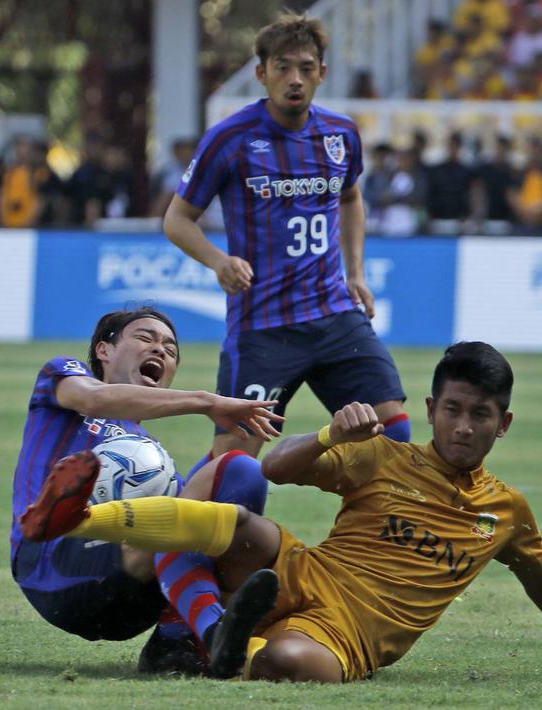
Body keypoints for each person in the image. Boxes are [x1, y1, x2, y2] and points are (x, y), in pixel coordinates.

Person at [25, 342, 542, 683]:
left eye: (480, 415)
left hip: (348, 637)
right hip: (300, 572)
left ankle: (228, 644)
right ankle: (77, 521)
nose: (463, 426)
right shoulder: (383, 456)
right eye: (452, 410)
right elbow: (276, 468)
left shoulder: (505, 512)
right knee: (240, 519)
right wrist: (331, 434)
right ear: (430, 410)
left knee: (290, 664)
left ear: (503, 424)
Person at [162, 13, 410, 467]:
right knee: (235, 465)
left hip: (334, 314)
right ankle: (175, 510)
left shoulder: (341, 134)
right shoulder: (230, 139)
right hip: (264, 325)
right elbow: (177, 219)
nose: (294, 78)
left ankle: (362, 515)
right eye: (282, 67)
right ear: (262, 73)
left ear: (322, 73)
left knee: (391, 429)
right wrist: (219, 261)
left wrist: (356, 273)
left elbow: (351, 197)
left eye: (306, 67)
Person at [10, 307, 285, 677]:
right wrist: (207, 401)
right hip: (51, 565)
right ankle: (211, 631)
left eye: (170, 350)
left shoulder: (151, 455)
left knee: (240, 470)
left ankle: (180, 641)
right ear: (104, 350)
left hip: (131, 596)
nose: (160, 350)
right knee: (180, 521)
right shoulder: (64, 379)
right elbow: (93, 399)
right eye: (145, 338)